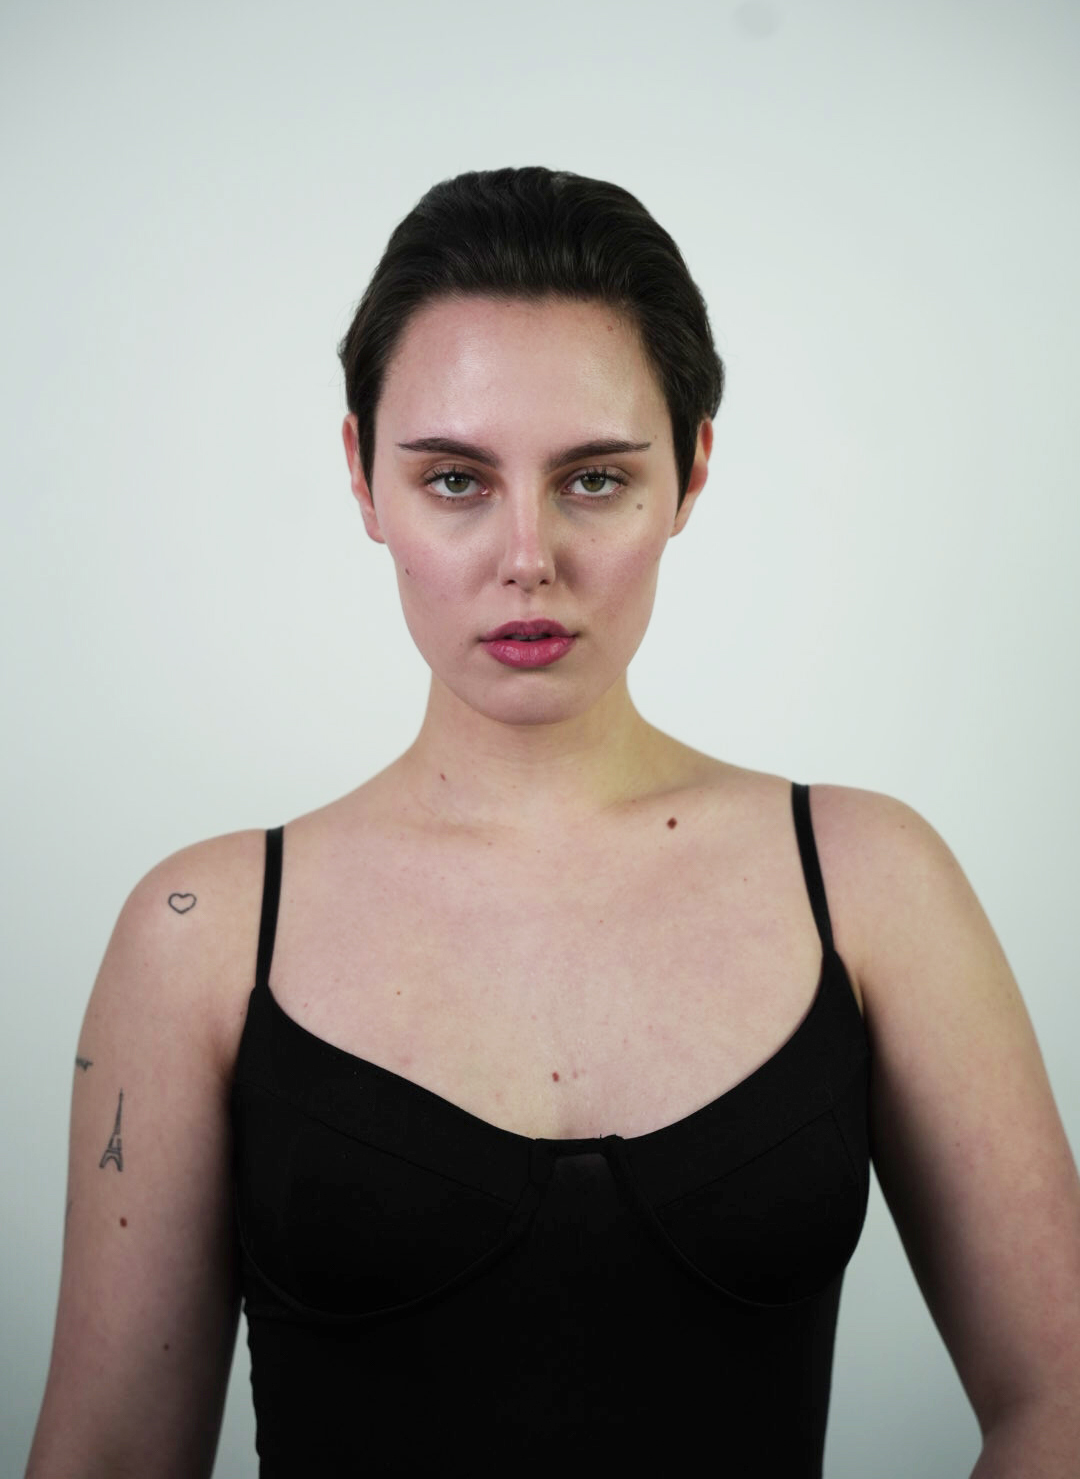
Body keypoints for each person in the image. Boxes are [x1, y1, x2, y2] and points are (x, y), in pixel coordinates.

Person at [26, 167, 1080, 1478]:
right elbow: (110, 1455)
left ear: (690, 473)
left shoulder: (870, 884)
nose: (528, 556)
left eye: (592, 479)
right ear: (362, 477)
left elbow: (1063, 1397)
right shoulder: (200, 931)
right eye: (455, 480)